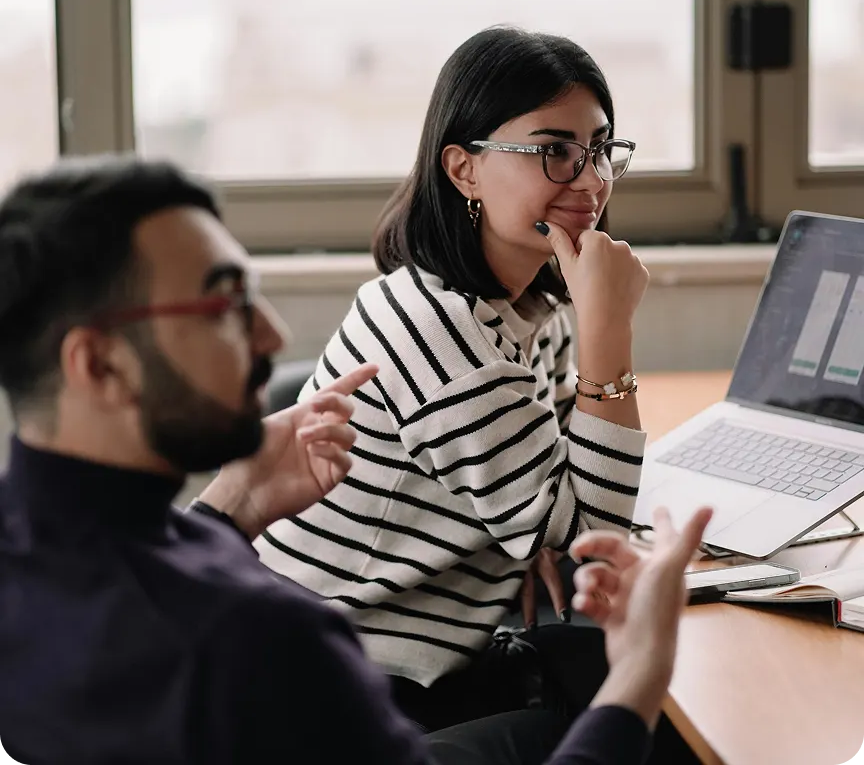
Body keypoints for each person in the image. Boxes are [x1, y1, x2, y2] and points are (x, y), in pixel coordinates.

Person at [0, 155, 710, 765]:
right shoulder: (264, 642)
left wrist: (231, 509)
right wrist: (640, 676)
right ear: (99, 364)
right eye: (221, 306)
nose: (272, 334)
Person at [255, 26, 651, 729]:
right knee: (651, 730)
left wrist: (538, 529)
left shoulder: (531, 302)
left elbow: (565, 492)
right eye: (553, 151)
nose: (592, 180)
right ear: (464, 170)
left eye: (598, 149)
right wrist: (610, 335)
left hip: (402, 666)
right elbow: (594, 535)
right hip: (337, 698)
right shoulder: (449, 340)